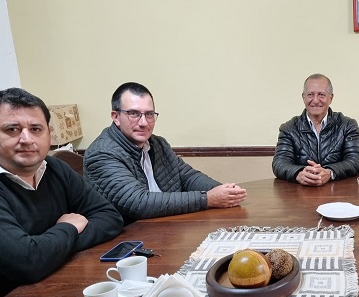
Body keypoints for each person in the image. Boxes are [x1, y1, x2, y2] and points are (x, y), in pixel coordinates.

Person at [0, 88, 123, 297]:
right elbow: (26, 262)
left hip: (61, 291)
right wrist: (68, 229)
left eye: (36, 129)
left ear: (48, 133)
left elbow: (110, 217)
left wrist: (49, 250)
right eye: (12, 129)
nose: (26, 139)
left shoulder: (54, 167)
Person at [84, 82, 247, 224]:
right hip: (126, 243)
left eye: (149, 114)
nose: (143, 123)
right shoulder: (101, 154)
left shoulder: (157, 144)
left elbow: (187, 177)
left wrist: (224, 191)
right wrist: (208, 198)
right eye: (133, 114)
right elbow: (138, 203)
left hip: (166, 227)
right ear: (116, 117)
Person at [272, 74, 359, 186]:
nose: (315, 100)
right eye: (310, 95)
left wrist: (330, 172)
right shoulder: (289, 128)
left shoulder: (347, 125)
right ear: (303, 97)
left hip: (338, 194)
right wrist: (299, 173)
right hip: (299, 195)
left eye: (321, 95)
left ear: (331, 97)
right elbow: (279, 163)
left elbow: (357, 161)